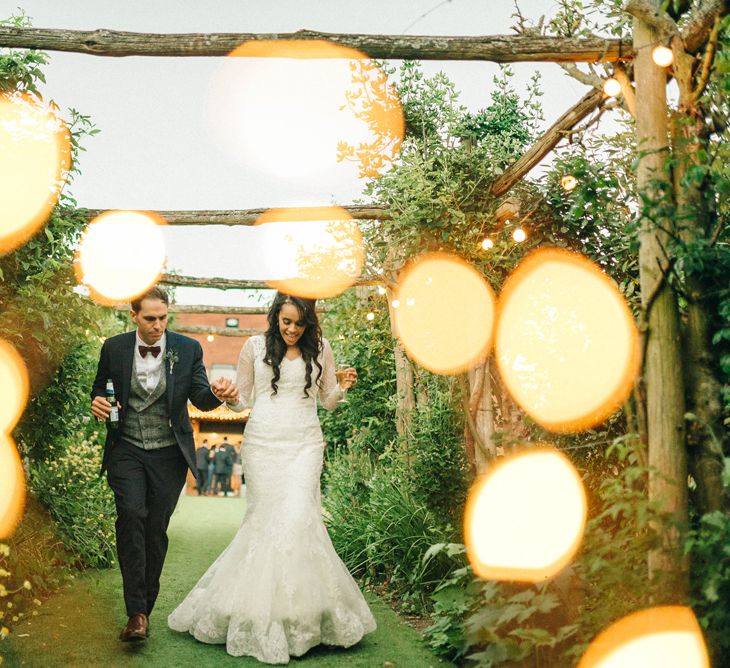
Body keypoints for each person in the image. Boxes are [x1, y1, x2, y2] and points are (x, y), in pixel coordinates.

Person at [168, 292, 374, 663]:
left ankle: (301, 619)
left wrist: (343, 387)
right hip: (263, 443)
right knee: (265, 524)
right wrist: (228, 395)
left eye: (299, 323)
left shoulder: (321, 348)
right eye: (286, 322)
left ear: (308, 323)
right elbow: (243, 399)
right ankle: (262, 613)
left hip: (305, 443)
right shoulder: (252, 347)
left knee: (298, 519)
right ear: (276, 317)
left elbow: (326, 400)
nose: (292, 330)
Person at [90, 286, 239, 643]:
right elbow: (100, 388)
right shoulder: (115, 347)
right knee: (131, 516)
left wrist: (218, 393)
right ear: (134, 316)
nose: (157, 326)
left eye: (162, 318)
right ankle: (136, 614)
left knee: (155, 528)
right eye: (149, 319)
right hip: (126, 447)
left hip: (169, 453)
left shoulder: (187, 349)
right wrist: (96, 403)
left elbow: (200, 399)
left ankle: (145, 606)